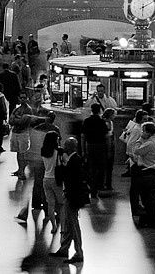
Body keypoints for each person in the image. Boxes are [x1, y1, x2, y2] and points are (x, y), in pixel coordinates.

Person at [50, 136, 88, 264]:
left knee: (73, 225)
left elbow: (72, 180)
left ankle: (78, 252)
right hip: (72, 195)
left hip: (72, 196)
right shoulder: (74, 159)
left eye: (66, 144)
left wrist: (68, 194)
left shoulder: (74, 161)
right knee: (69, 223)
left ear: (70, 147)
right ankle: (64, 248)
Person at [132, 121, 155, 228]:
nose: (142, 133)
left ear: (147, 132)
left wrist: (140, 140)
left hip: (146, 171)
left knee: (147, 198)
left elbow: (136, 151)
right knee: (151, 196)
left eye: (143, 131)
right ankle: (154, 220)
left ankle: (150, 220)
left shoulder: (149, 144)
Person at [80, 103, 109, 195]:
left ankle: (93, 189)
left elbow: (83, 137)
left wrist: (83, 150)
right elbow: (106, 136)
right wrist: (108, 149)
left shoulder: (86, 121)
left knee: (92, 168)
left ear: (91, 110)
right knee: (101, 168)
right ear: (100, 110)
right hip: (101, 146)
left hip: (90, 146)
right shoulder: (102, 122)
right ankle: (100, 187)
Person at [40, 130, 63, 234]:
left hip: (46, 178)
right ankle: (63, 228)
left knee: (50, 204)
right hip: (57, 179)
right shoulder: (59, 151)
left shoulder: (43, 151)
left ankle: (53, 227)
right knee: (61, 204)